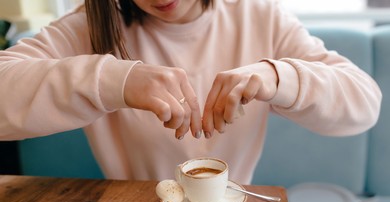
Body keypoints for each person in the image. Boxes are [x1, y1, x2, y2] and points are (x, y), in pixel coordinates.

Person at [0, 0, 382, 183]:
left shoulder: (261, 17)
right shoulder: (88, 27)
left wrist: (279, 77)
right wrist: (112, 80)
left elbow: (364, 103)